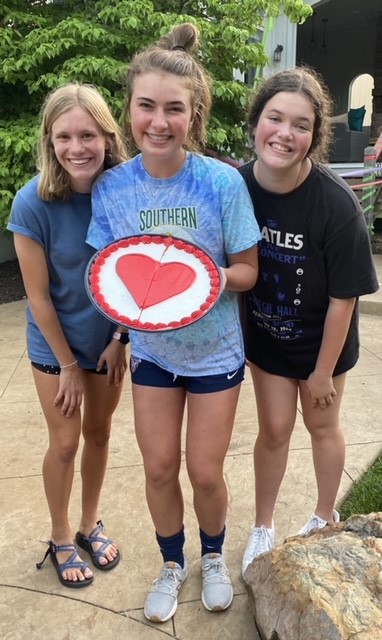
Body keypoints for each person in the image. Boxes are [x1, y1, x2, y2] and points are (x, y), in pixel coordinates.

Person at [87, 23, 261, 622]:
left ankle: (212, 557)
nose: (158, 122)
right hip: (155, 354)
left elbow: (247, 271)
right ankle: (171, 562)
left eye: (174, 109)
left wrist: (204, 277)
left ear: (195, 114)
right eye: (146, 106)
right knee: (159, 466)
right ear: (129, 109)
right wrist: (118, 334)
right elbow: (111, 277)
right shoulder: (112, 187)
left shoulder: (221, 181)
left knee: (204, 471)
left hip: (215, 353)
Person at [238, 67, 379, 576]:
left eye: (301, 125)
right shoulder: (236, 187)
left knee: (322, 422)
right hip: (268, 339)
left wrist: (321, 373)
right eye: (274, 118)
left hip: (324, 341)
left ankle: (324, 515)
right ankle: (262, 525)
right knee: (273, 429)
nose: (285, 133)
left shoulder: (336, 205)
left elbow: (345, 299)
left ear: (314, 136)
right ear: (255, 123)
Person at [7, 83, 130, 588]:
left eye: (88, 134)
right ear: (49, 141)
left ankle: (87, 524)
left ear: (106, 136)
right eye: (64, 136)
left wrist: (121, 337)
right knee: (65, 443)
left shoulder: (125, 192)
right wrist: (70, 367)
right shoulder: (32, 202)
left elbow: (138, 275)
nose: (76, 147)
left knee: (99, 435)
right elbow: (38, 298)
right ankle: (60, 536)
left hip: (110, 341)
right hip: (56, 347)